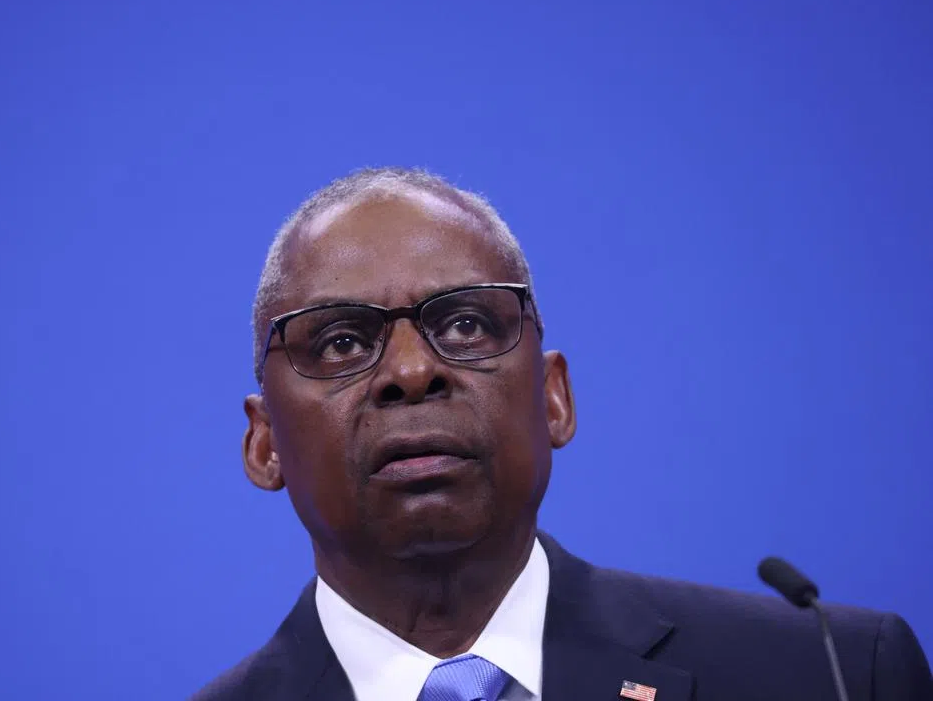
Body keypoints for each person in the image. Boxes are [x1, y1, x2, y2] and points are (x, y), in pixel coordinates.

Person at [192, 168, 932, 701]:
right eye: (343, 344)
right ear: (264, 445)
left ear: (553, 398)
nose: (412, 372)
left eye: (466, 324)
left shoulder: (831, 676)